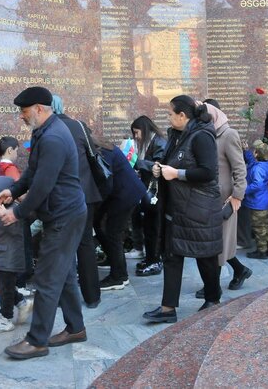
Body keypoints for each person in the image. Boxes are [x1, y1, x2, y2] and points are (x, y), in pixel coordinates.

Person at [0, 87, 87, 360]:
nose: (21, 116)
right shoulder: (43, 131)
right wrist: (13, 190)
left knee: (47, 278)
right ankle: (76, 328)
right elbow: (34, 173)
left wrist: (17, 213)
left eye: (24, 111)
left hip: (64, 216)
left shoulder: (54, 137)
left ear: (39, 108)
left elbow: (44, 185)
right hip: (62, 213)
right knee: (65, 274)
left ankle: (37, 341)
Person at [142, 95, 223, 323]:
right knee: (172, 256)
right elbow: (173, 163)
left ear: (182, 115)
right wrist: (161, 169)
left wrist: (177, 174)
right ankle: (168, 308)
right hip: (176, 207)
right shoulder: (178, 136)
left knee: (205, 256)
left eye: (170, 113)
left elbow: (208, 172)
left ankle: (213, 299)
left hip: (199, 208)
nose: (167, 117)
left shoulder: (202, 137)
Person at [51, 95, 102, 308]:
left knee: (62, 247)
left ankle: (65, 298)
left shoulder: (46, 129)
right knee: (85, 244)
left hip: (61, 198)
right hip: (86, 194)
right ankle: (92, 297)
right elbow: (93, 154)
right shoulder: (79, 126)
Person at [203, 104, 251, 295]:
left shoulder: (228, 134)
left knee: (221, 243)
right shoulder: (208, 135)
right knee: (217, 242)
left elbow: (240, 168)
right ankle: (240, 270)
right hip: (209, 196)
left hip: (226, 198)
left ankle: (212, 285)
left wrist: (237, 196)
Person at [93, 136, 146, 291]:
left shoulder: (101, 152)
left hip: (125, 194)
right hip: (121, 193)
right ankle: (113, 260)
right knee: (97, 223)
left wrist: (96, 202)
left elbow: (106, 180)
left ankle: (119, 276)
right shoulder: (102, 147)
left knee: (112, 233)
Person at [0, 176, 34, 334]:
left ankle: (6, 318)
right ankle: (21, 303)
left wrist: (6, 216)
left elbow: (17, 232)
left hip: (9, 257)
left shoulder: (15, 211)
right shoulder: (0, 210)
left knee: (5, 289)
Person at [129, 115, 167, 276]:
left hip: (156, 193)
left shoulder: (158, 141)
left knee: (154, 228)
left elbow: (160, 166)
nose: (136, 137)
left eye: (137, 132)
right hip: (148, 192)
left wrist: (138, 162)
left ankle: (155, 261)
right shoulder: (148, 142)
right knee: (148, 227)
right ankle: (150, 258)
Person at [0, 136, 34, 293]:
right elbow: (22, 195)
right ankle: (20, 285)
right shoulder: (10, 169)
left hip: (3, 212)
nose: (17, 155)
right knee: (22, 248)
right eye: (17, 151)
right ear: (10, 150)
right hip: (15, 213)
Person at [244, 141, 268, 259]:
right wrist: (246, 150)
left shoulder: (257, 169)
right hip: (264, 201)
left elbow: (257, 185)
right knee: (266, 226)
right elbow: (253, 162)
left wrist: (244, 189)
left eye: (254, 151)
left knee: (259, 228)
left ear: (257, 154)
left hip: (257, 202)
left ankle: (261, 251)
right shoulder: (266, 165)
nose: (253, 152)